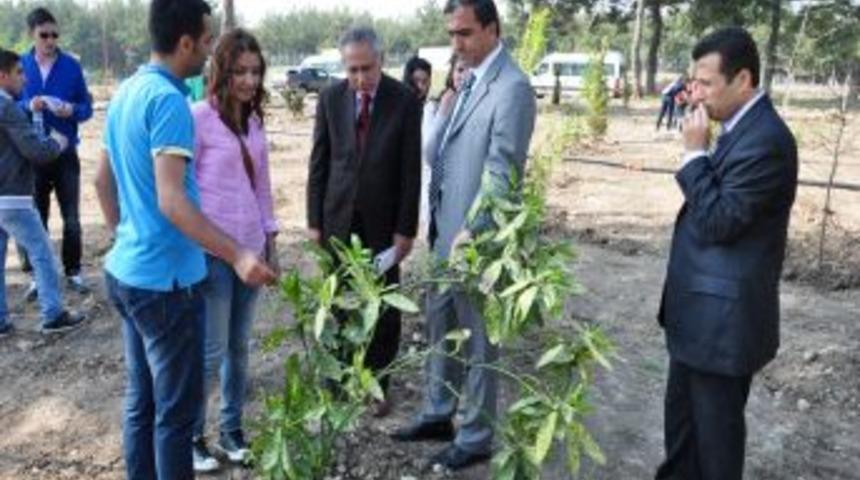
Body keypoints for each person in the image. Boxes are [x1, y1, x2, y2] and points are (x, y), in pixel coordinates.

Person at [93, 1, 276, 478]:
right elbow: (173, 202)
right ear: (187, 42)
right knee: (175, 416)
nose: (211, 48)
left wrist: (126, 238)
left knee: (143, 403)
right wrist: (236, 254)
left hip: (127, 271)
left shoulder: (126, 91)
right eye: (209, 39)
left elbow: (100, 182)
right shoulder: (171, 101)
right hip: (166, 282)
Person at [391, 0, 537, 471]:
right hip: (444, 230)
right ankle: (438, 412)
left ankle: (475, 436)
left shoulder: (511, 87)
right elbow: (439, 152)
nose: (456, 44)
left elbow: (503, 170)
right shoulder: (468, 80)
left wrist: (475, 229)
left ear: (493, 29)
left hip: (477, 240)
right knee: (440, 325)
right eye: (451, 34)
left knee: (477, 341)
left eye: (465, 34)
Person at [655, 27, 798, 480]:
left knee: (714, 449)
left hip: (724, 328)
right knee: (682, 437)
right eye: (693, 82)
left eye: (707, 84)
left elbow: (720, 222)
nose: (696, 93)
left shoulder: (767, 140)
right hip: (699, 320)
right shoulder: (739, 127)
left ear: (744, 80)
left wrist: (694, 156)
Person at [306, 26, 421, 418]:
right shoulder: (330, 98)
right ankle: (338, 383)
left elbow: (410, 172)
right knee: (338, 305)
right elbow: (319, 162)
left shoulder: (404, 101)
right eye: (351, 70)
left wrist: (405, 231)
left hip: (382, 225)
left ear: (381, 60)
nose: (358, 79)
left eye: (366, 69)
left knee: (383, 312)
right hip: (336, 221)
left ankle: (377, 384)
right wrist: (313, 222)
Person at [190, 29, 279, 472]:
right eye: (240, 71)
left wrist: (271, 241)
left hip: (252, 250)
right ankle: (193, 435)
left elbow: (262, 188)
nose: (248, 80)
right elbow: (182, 189)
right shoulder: (197, 118)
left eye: (255, 71)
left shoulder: (256, 122)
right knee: (211, 350)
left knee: (239, 348)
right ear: (221, 72)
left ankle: (232, 428)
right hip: (213, 253)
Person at [0, 48, 85, 338]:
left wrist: (30, 108)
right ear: (3, 76)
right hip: (13, 196)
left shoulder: (10, 106)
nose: (24, 78)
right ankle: (53, 315)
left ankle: (1, 321)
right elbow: (36, 151)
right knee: (43, 253)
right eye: (19, 72)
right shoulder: (6, 106)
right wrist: (59, 142)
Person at [16, 7, 93, 297]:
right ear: (32, 35)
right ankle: (39, 276)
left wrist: (71, 109)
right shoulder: (20, 65)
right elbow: (8, 106)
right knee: (37, 218)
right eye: (44, 35)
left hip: (65, 154)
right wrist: (28, 106)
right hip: (33, 155)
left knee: (71, 217)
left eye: (54, 35)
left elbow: (85, 108)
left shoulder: (72, 66)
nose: (50, 40)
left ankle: (73, 271)